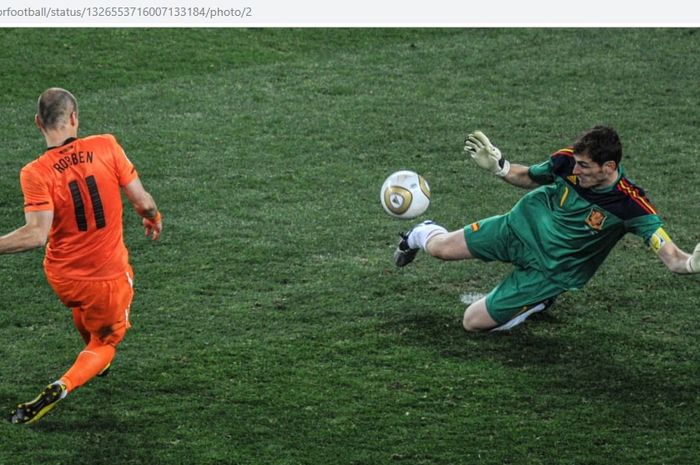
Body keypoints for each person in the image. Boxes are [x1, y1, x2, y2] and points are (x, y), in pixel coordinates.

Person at [394, 126, 699, 332]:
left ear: (609, 168)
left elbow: (672, 257)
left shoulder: (632, 205)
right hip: (516, 228)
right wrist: (500, 166)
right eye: (576, 163)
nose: (575, 171)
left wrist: (691, 263)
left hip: (550, 271)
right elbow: (529, 177)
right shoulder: (568, 161)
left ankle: (539, 300)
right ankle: (421, 232)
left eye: (584, 167)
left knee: (472, 322)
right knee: (440, 249)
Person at [1, 88, 162, 424]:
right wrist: (152, 216)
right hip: (106, 279)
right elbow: (143, 202)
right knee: (107, 342)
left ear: (38, 124)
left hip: (63, 279)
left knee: (84, 309)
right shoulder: (106, 146)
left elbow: (35, 235)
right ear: (74, 118)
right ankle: (65, 383)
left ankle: (93, 357)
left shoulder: (35, 172)